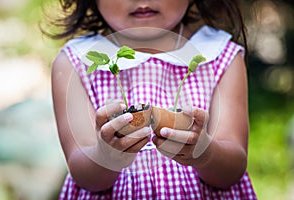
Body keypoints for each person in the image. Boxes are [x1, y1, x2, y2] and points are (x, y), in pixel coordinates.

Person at [43, 0, 257, 199]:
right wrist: (106, 156)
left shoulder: (219, 55)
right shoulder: (75, 64)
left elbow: (232, 169)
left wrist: (205, 154)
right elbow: (85, 176)